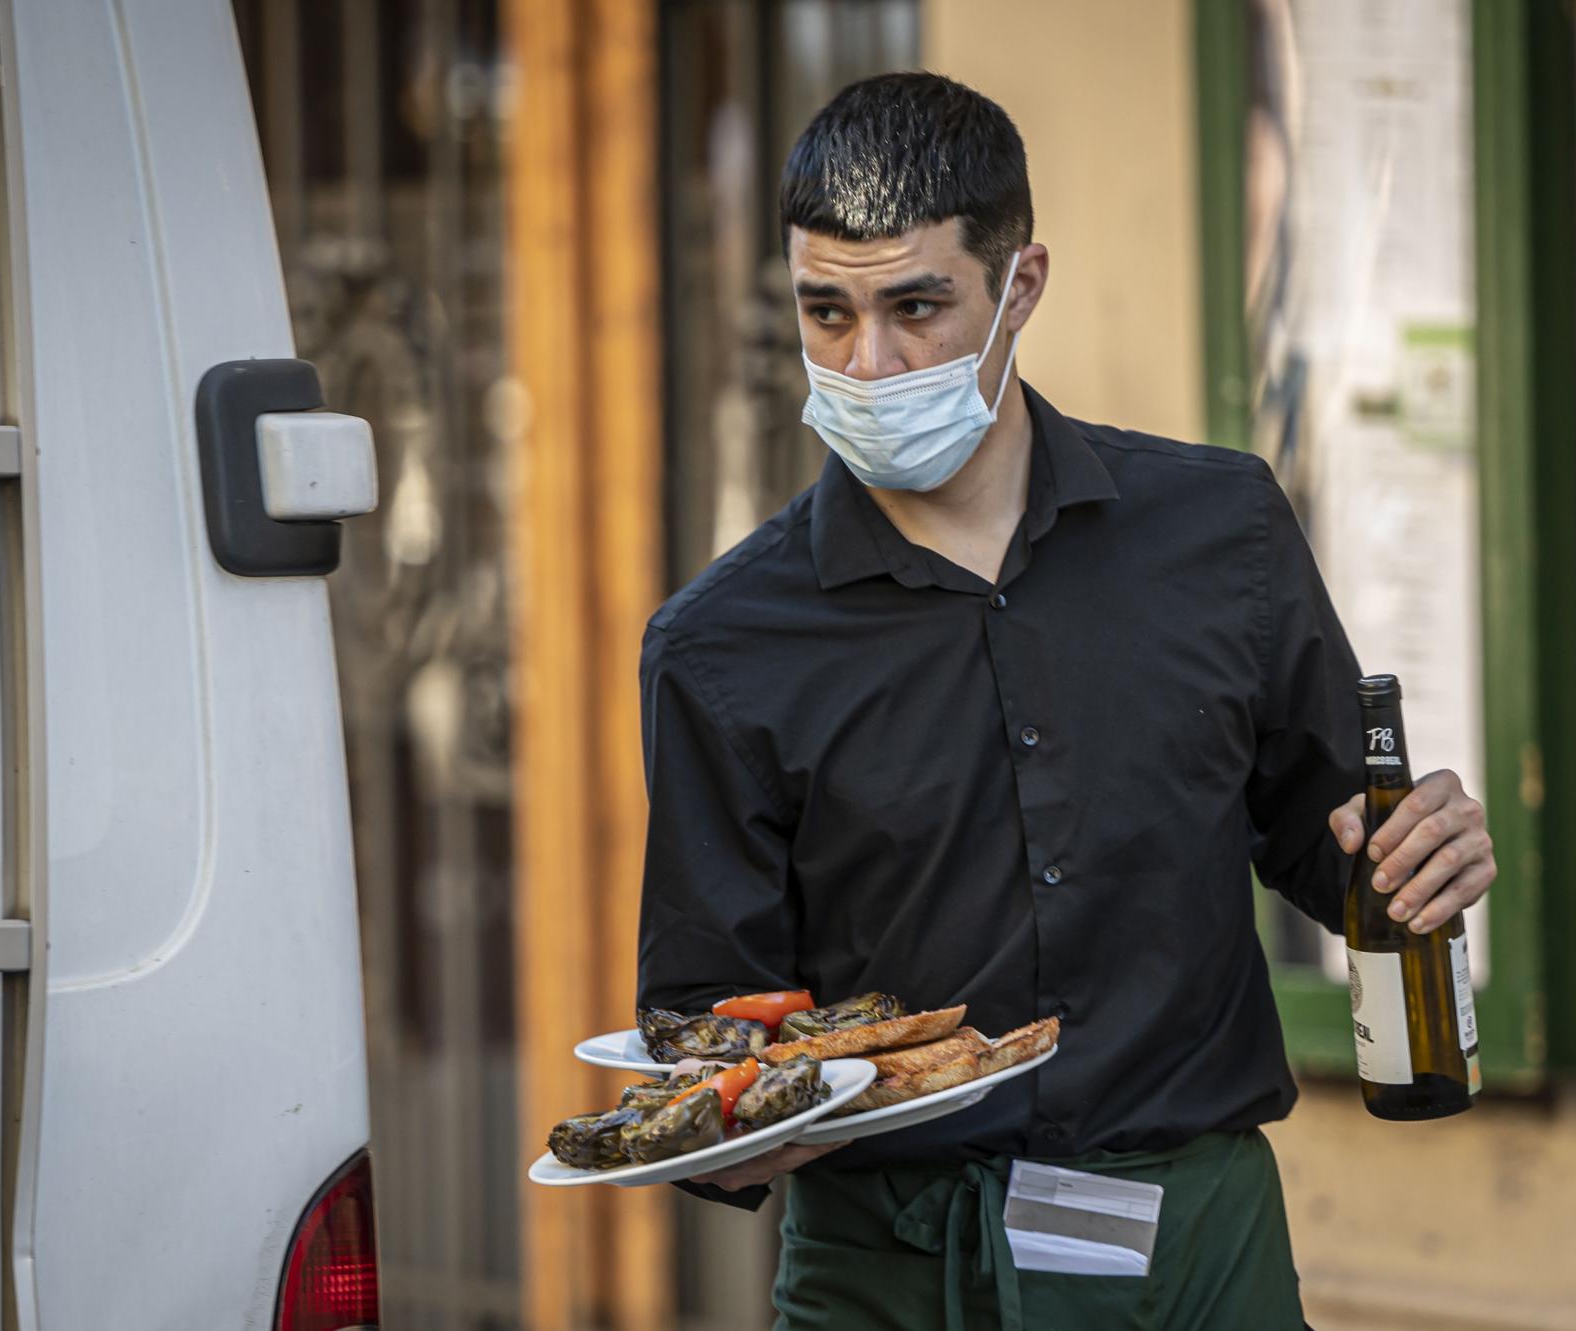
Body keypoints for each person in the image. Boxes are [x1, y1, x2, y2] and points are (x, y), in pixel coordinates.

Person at [634, 72, 1496, 1331]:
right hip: (889, 1273)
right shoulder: (719, 644)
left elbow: (1333, 842)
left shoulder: (1221, 528)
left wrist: (1419, 850)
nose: (867, 364)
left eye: (917, 306)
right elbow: (705, 1020)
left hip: (1198, 1251)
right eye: (827, 312)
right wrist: (721, 1137)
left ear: (1019, 285)